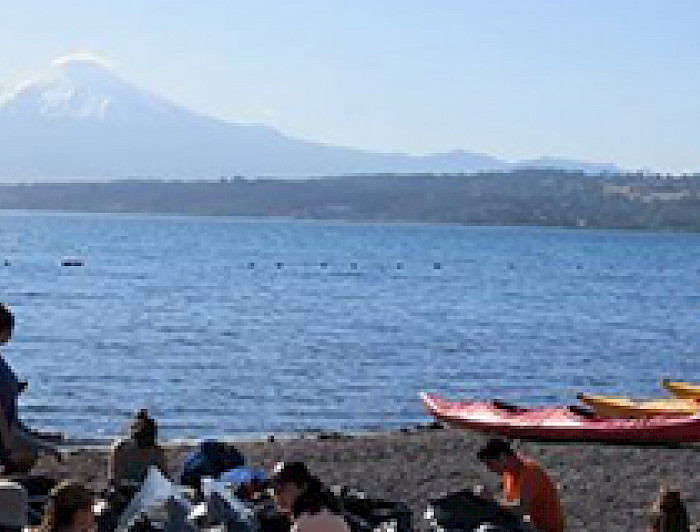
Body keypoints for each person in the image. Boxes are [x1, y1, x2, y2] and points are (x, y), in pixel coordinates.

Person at [0, 303, 60, 473]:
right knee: (31, 453)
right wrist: (8, 442)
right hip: (6, 428)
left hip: (11, 423)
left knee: (39, 445)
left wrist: (13, 389)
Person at [476, 438, 564, 532]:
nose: (491, 469)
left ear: (503, 457)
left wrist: (493, 501)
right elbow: (509, 507)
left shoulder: (530, 473)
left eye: (490, 464)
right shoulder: (509, 475)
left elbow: (521, 509)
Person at [269, 461, 350, 532]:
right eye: (274, 490)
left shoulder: (305, 524)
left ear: (302, 487)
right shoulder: (331, 514)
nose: (277, 495)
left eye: (282, 488)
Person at [108, 409, 167, 493]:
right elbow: (116, 479)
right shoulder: (121, 449)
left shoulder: (157, 452)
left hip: (150, 492)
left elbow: (164, 479)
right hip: (126, 491)